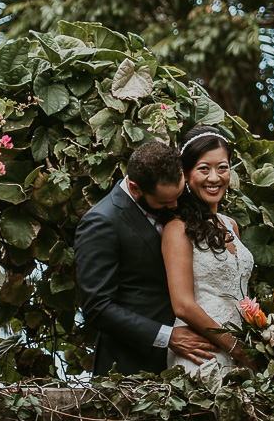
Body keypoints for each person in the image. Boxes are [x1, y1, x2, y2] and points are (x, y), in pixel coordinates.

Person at [74, 140, 216, 376]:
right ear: (135, 187)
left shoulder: (175, 202)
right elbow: (97, 307)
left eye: (178, 195)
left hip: (186, 362)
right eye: (163, 201)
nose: (174, 205)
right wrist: (166, 336)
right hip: (130, 368)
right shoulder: (101, 221)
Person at [162, 126, 256, 376]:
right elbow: (182, 305)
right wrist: (236, 347)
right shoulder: (176, 228)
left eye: (222, 167)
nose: (214, 178)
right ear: (186, 173)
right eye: (204, 168)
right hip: (202, 351)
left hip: (244, 351)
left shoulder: (231, 225)